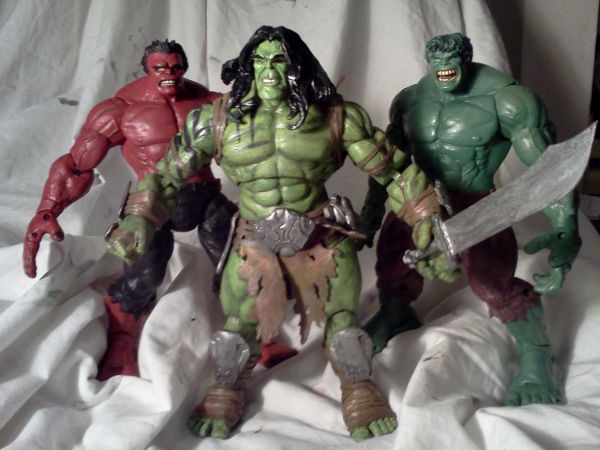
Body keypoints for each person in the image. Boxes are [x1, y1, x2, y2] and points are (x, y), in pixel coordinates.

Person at [105, 26, 445, 441]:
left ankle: (358, 389)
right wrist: (139, 217)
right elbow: (165, 177)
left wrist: (425, 215)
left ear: (298, 67)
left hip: (321, 235)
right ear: (247, 67)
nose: (269, 71)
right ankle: (227, 388)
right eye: (260, 60)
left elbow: (394, 171)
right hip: (254, 239)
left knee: (345, 324)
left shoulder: (337, 117)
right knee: (237, 328)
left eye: (280, 60)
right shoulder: (215, 121)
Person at [363, 33, 580, 406]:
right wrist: (371, 210)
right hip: (419, 201)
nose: (445, 65)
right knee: (392, 263)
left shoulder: (507, 99)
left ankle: (536, 355)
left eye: (452, 57)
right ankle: (394, 315)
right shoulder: (410, 100)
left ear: (465, 57)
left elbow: (548, 169)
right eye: (438, 58)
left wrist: (565, 227)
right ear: (429, 60)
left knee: (493, 283)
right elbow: (388, 164)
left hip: (475, 202)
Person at [23, 39, 236, 380]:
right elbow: (77, 166)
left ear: (184, 66)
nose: (169, 74)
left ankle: (255, 333)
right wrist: (48, 208)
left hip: (204, 195)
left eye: (175, 67)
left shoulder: (209, 101)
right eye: (160, 68)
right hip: (152, 201)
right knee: (144, 274)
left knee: (239, 262)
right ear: (147, 69)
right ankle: (122, 340)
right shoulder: (120, 110)